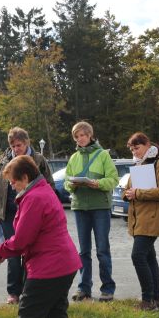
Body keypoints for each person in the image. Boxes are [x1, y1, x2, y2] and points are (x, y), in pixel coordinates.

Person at [0, 155, 82, 318]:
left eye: (13, 182)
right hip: (64, 263)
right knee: (56, 314)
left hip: (49, 266)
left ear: (24, 177)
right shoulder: (42, 190)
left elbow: (22, 239)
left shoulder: (34, 198)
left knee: (28, 315)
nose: (12, 187)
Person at [0, 127, 54, 305]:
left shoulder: (38, 160)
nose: (16, 149)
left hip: (30, 211)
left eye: (19, 145)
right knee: (12, 253)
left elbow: (49, 185)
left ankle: (28, 289)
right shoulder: (5, 160)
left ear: (26, 143)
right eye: (12, 146)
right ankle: (13, 292)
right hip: (8, 213)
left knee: (28, 253)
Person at [64, 121, 118, 302]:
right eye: (77, 136)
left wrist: (98, 183)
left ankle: (107, 288)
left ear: (90, 135)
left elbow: (113, 179)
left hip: (100, 208)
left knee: (102, 249)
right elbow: (66, 182)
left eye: (83, 135)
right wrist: (71, 185)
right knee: (83, 251)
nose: (80, 139)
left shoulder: (103, 155)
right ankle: (84, 289)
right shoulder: (73, 158)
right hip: (80, 208)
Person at [123, 132, 159, 311]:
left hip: (153, 218)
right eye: (132, 149)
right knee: (149, 258)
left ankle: (147, 301)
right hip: (139, 219)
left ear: (147, 144)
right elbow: (129, 189)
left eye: (137, 148)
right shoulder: (139, 164)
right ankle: (157, 300)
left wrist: (138, 193)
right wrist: (127, 193)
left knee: (137, 256)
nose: (134, 152)